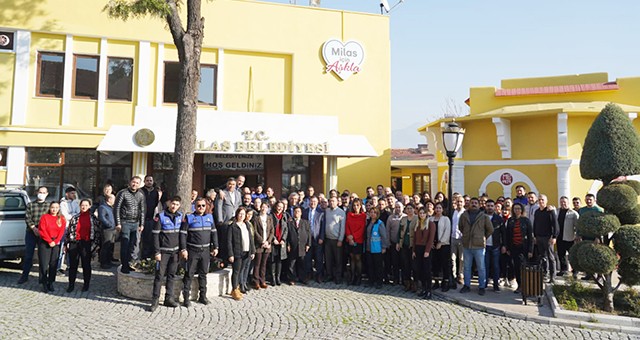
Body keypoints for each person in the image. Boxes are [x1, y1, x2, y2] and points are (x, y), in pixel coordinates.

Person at [181, 197, 218, 307]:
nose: (201, 207)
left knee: (203, 274)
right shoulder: (189, 217)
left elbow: (214, 233)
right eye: (198, 206)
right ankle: (186, 298)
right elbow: (183, 235)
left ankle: (203, 296)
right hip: (193, 251)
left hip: (205, 251)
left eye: (203, 205)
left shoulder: (210, 217)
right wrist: (183, 249)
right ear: (195, 206)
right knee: (189, 274)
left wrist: (216, 247)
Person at [150, 196, 183, 312]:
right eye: (173, 204)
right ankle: (155, 300)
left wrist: (181, 250)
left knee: (171, 275)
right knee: (159, 276)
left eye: (177, 204)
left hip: (175, 252)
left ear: (179, 206)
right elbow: (155, 235)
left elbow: (182, 235)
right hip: (163, 252)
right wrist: (157, 252)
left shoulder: (180, 216)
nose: (174, 206)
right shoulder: (161, 216)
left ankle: (168, 298)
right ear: (169, 204)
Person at [459, 197, 493, 295]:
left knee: (481, 267)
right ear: (469, 204)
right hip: (467, 245)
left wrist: (482, 237)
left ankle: (481, 286)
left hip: (479, 246)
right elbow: (460, 227)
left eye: (475, 203)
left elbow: (490, 229)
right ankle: (466, 285)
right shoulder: (464, 215)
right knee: (467, 267)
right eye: (472, 203)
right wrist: (466, 235)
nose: (474, 204)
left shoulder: (484, 216)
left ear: (479, 205)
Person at [65, 199, 101, 292]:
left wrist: (95, 246)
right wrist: (67, 243)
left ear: (89, 206)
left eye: (86, 205)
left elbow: (97, 232)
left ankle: (86, 284)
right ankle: (71, 284)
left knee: (86, 265)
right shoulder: (75, 217)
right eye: (82, 205)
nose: (84, 207)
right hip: (74, 242)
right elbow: (69, 231)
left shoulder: (93, 218)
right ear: (80, 206)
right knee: (73, 265)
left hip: (86, 243)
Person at [114, 176, 146, 274]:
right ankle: (124, 265)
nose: (135, 184)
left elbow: (142, 210)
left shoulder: (141, 195)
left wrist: (142, 224)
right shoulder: (123, 193)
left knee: (132, 245)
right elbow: (117, 208)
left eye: (137, 183)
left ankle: (128, 263)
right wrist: (118, 223)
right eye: (133, 182)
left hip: (135, 223)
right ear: (130, 182)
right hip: (125, 222)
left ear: (139, 185)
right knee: (125, 244)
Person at [18, 186, 50, 284]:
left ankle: (42, 278)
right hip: (31, 233)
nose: (42, 194)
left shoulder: (49, 206)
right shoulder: (31, 205)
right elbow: (27, 218)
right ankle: (24, 276)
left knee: (42, 257)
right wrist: (33, 228)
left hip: (44, 234)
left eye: (44, 192)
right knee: (28, 256)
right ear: (37, 192)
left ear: (47, 194)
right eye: (40, 192)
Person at [503, 203, 534, 294]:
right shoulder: (510, 220)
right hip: (514, 247)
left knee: (524, 267)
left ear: (522, 210)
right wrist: (508, 248)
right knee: (516, 267)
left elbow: (530, 236)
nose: (517, 210)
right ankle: (519, 285)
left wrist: (530, 250)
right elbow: (508, 236)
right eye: (515, 209)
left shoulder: (526, 221)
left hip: (524, 247)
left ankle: (526, 286)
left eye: (518, 209)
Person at [228, 207, 256, 301]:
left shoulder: (247, 225)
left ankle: (238, 287)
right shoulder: (232, 226)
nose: (241, 216)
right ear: (237, 214)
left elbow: (250, 239)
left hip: (246, 251)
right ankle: (234, 289)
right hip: (237, 253)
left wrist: (252, 251)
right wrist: (230, 254)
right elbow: (229, 242)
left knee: (242, 270)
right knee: (236, 271)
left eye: (243, 214)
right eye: (240, 214)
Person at [37, 202, 66, 293]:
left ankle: (51, 282)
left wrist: (56, 241)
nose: (54, 209)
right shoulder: (44, 217)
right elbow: (42, 230)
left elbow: (62, 231)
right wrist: (49, 241)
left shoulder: (61, 218)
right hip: (45, 243)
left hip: (55, 243)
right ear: (49, 208)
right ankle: (44, 282)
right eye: (53, 207)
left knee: (53, 264)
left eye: (56, 207)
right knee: (44, 263)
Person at [215, 177, 242, 263]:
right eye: (230, 184)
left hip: (235, 220)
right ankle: (224, 260)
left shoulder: (238, 193)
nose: (231, 186)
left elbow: (239, 205)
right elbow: (218, 206)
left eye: (233, 184)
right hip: (225, 220)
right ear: (227, 184)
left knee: (233, 240)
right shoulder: (223, 193)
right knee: (225, 241)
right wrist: (220, 220)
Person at [533, 194, 559, 283]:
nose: (541, 201)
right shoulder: (537, 212)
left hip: (548, 238)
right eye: (539, 200)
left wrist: (554, 236)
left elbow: (555, 225)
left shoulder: (550, 211)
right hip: (539, 237)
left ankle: (553, 276)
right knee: (542, 257)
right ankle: (545, 273)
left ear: (546, 201)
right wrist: (535, 236)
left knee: (551, 257)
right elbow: (535, 224)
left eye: (542, 200)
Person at [412, 207, 436, 299]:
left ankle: (429, 290)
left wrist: (427, 251)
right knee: (420, 270)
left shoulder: (431, 224)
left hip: (426, 249)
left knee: (427, 270)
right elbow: (414, 239)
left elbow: (431, 239)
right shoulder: (417, 224)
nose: (422, 215)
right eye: (420, 213)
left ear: (426, 214)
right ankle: (424, 288)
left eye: (423, 213)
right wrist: (414, 250)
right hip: (418, 248)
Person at [430, 202, 452, 292]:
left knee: (444, 264)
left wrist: (441, 242)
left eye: (440, 208)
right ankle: (435, 282)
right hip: (432, 245)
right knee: (435, 263)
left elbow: (447, 231)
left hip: (443, 245)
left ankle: (445, 282)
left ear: (442, 209)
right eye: (436, 208)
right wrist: (430, 242)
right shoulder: (430, 219)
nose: (438, 209)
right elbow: (428, 231)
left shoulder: (446, 219)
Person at [365, 207, 389, 289]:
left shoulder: (380, 223)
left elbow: (384, 236)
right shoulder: (368, 222)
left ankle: (379, 281)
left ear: (377, 214)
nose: (372, 214)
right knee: (370, 265)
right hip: (369, 247)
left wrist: (384, 247)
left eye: (374, 212)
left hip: (377, 248)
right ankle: (371, 280)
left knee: (378, 266)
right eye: (371, 212)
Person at [324, 196, 346, 284]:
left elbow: (342, 227)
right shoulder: (327, 211)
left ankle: (338, 277)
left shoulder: (341, 212)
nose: (332, 203)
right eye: (330, 201)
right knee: (328, 259)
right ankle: (329, 275)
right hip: (327, 239)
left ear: (337, 202)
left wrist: (340, 239)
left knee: (338, 260)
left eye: (333, 201)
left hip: (337, 240)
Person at [287, 206, 311, 285]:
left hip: (302, 246)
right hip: (293, 246)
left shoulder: (305, 222)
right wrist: (288, 244)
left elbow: (309, 234)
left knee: (302, 262)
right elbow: (287, 234)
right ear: (293, 213)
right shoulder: (289, 223)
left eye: (298, 211)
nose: (297, 213)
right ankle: (292, 278)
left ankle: (302, 278)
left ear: (301, 213)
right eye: (295, 211)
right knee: (292, 263)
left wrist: (308, 244)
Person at [345, 198, 366, 285]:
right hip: (350, 240)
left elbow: (362, 229)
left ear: (360, 206)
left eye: (357, 205)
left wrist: (353, 237)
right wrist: (349, 237)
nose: (355, 207)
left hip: (358, 239)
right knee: (352, 258)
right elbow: (347, 226)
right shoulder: (349, 215)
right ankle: (352, 276)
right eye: (354, 205)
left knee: (358, 258)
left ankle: (359, 277)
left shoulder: (363, 216)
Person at [484, 199, 504, 292]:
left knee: (496, 266)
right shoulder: (482, 217)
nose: (490, 207)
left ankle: (496, 285)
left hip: (495, 246)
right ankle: (484, 284)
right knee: (485, 265)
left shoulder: (499, 219)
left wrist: (504, 245)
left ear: (494, 207)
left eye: (492, 206)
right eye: (488, 206)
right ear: (485, 206)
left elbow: (503, 233)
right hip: (484, 246)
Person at [253, 202, 274, 289]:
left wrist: (268, 242)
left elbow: (272, 231)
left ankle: (263, 280)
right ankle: (256, 281)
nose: (263, 209)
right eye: (262, 207)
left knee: (264, 264)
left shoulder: (269, 218)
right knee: (257, 263)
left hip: (267, 245)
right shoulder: (256, 218)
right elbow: (254, 231)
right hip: (259, 245)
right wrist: (262, 241)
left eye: (265, 207)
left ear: (268, 208)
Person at [59, 186, 80, 273]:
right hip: (65, 227)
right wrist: (73, 215)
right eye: (72, 193)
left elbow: (78, 213)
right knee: (63, 247)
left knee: (72, 247)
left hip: (74, 227)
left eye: (74, 193)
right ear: (67, 194)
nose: (73, 195)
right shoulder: (62, 203)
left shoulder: (75, 202)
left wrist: (72, 215)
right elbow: (65, 215)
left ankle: (70, 265)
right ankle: (59, 266)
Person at [557, 196, 579, 277]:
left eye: (564, 202)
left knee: (572, 255)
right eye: (561, 202)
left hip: (570, 237)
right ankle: (563, 270)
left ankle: (575, 271)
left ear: (568, 203)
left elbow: (577, 226)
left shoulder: (573, 213)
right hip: (559, 237)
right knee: (561, 255)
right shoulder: (557, 211)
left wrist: (577, 236)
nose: (563, 203)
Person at [305, 196, 325, 282]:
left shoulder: (321, 212)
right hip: (307, 239)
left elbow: (323, 227)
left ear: (317, 203)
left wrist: (321, 237)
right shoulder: (304, 212)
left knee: (319, 258)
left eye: (315, 202)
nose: (313, 203)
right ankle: (309, 274)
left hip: (317, 238)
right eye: (311, 201)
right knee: (308, 258)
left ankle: (319, 275)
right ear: (309, 202)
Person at [398, 204, 418, 291]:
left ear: (414, 209)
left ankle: (415, 283)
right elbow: (400, 231)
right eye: (408, 209)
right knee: (405, 265)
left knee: (414, 265)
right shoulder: (403, 219)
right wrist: (398, 242)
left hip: (413, 245)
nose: (409, 210)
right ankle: (407, 283)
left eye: (411, 208)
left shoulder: (417, 219)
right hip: (404, 244)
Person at [141, 175, 161, 260]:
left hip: (150, 218)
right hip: (141, 218)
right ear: (144, 181)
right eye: (147, 180)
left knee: (150, 238)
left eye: (150, 180)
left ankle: (149, 257)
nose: (149, 182)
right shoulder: (141, 191)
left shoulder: (155, 192)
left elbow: (156, 203)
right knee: (142, 239)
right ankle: (142, 257)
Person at [385, 201, 405, 285]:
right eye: (396, 207)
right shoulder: (390, 218)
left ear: (403, 208)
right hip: (393, 243)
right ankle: (396, 279)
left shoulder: (406, 217)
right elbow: (387, 231)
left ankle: (404, 280)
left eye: (399, 207)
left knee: (404, 262)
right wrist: (388, 242)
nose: (398, 209)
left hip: (403, 244)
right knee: (395, 262)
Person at [270, 201, 288, 286]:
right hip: (273, 241)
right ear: (275, 206)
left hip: (281, 242)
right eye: (278, 206)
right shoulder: (271, 216)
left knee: (280, 260)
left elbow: (286, 229)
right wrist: (273, 239)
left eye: (281, 207)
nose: (279, 208)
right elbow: (270, 229)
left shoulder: (284, 216)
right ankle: (273, 278)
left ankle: (278, 277)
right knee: (273, 260)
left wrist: (283, 239)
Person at [98, 194, 116, 269]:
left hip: (113, 229)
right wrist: (109, 224)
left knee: (111, 245)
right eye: (113, 199)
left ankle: (109, 261)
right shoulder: (102, 207)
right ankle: (103, 262)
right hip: (107, 229)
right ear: (109, 199)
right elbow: (102, 217)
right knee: (105, 246)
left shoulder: (111, 208)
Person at [451, 195, 465, 286]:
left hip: (462, 239)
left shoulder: (465, 213)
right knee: (452, 258)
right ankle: (453, 275)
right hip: (453, 237)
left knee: (461, 258)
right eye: (458, 202)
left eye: (461, 202)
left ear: (463, 203)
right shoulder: (453, 212)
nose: (459, 203)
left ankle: (461, 275)